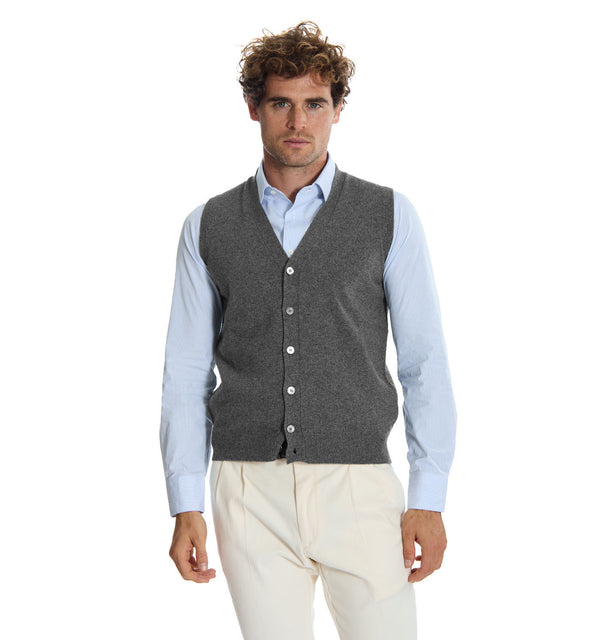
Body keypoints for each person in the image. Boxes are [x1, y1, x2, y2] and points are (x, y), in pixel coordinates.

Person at [159, 21, 456, 640]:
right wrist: (185, 502)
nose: (298, 122)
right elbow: (185, 373)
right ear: (253, 107)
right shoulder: (207, 225)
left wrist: (428, 497)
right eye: (280, 103)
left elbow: (423, 362)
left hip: (360, 487)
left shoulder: (389, 215)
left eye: (315, 103)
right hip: (247, 489)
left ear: (338, 109)